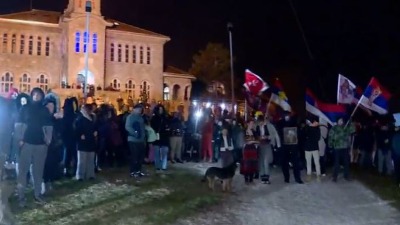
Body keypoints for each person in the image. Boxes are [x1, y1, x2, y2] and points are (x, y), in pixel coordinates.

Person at [17, 87, 53, 206]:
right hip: (26, 143)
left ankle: (37, 194)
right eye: (34, 94)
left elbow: (49, 125)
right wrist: (20, 139)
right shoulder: (25, 108)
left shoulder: (44, 110)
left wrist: (48, 139)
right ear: (31, 95)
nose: (36, 96)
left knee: (38, 171)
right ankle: (21, 197)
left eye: (39, 95)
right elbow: (19, 124)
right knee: (23, 171)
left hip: (40, 145)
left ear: (42, 96)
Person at [42, 97, 64, 194]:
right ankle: (43, 184)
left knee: (52, 164)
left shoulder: (56, 118)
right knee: (44, 165)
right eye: (49, 106)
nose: (51, 108)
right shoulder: (43, 116)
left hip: (54, 146)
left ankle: (49, 182)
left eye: (52, 106)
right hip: (44, 145)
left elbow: (60, 130)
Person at [278, 112, 303, 184]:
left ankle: (297, 178)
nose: (286, 117)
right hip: (285, 146)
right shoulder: (280, 123)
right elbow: (279, 132)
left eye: (288, 116)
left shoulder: (294, 122)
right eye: (285, 116)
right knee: (284, 163)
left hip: (293, 145)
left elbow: (299, 133)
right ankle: (286, 178)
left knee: (296, 163)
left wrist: (296, 135)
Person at [255, 115, 281, 184]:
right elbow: (255, 135)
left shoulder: (269, 126)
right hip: (260, 145)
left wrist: (278, 144)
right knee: (261, 162)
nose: (260, 124)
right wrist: (258, 138)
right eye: (259, 122)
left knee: (266, 161)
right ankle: (262, 177)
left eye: (261, 122)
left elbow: (275, 134)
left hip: (267, 145)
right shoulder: (257, 126)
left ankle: (267, 177)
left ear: (263, 121)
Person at [328, 117, 355, 182]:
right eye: (339, 120)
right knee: (336, 163)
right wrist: (330, 146)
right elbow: (330, 137)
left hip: (345, 148)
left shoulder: (345, 128)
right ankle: (335, 177)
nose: (341, 122)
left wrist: (351, 123)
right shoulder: (334, 128)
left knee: (346, 163)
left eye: (342, 120)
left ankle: (346, 176)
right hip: (337, 148)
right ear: (337, 121)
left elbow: (352, 130)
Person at [75, 102, 97, 181]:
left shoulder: (92, 118)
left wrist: (95, 132)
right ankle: (80, 176)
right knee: (82, 161)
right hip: (83, 142)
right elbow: (76, 129)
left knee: (90, 160)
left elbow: (95, 127)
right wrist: (80, 135)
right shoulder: (80, 118)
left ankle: (90, 174)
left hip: (90, 141)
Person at [125, 104, 146, 178]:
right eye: (138, 109)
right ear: (134, 109)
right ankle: (133, 171)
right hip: (133, 140)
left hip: (140, 140)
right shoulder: (130, 117)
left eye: (140, 109)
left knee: (140, 156)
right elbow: (127, 127)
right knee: (135, 156)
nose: (140, 110)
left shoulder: (141, 118)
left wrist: (143, 137)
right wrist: (135, 133)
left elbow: (143, 128)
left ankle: (138, 170)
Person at [151, 104, 170, 171]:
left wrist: (167, 130)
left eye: (161, 109)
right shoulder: (154, 118)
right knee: (157, 152)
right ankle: (158, 166)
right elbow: (152, 128)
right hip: (157, 137)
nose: (160, 111)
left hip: (164, 137)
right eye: (159, 109)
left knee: (164, 152)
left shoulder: (166, 118)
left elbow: (168, 126)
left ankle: (163, 166)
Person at [304, 117, 321, 182]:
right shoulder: (307, 128)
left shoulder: (317, 129)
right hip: (307, 148)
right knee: (308, 162)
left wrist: (313, 127)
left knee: (317, 162)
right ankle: (309, 175)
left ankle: (318, 175)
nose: (318, 123)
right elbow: (304, 135)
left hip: (315, 148)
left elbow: (318, 138)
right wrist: (309, 126)